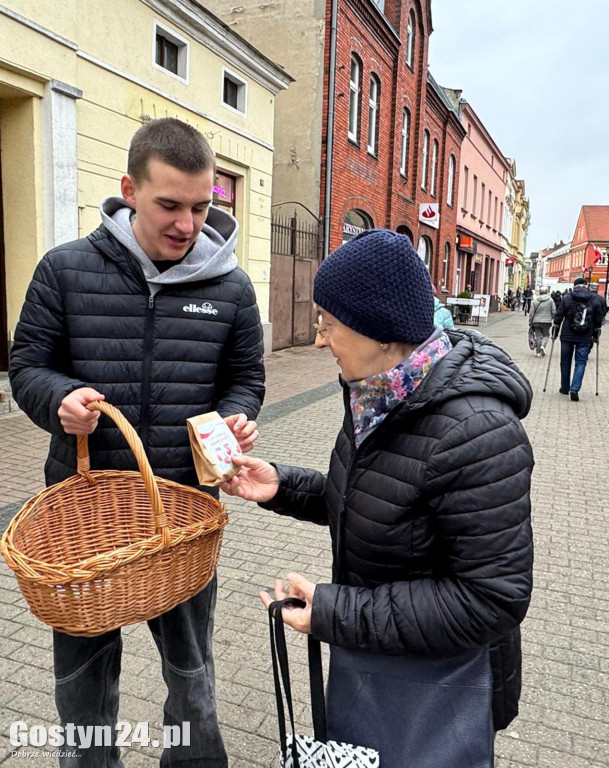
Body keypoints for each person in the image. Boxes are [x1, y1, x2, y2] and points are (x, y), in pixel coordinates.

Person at [221, 230, 534, 768]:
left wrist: (335, 610)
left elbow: (492, 599)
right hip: (377, 656)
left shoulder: (478, 431)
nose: (319, 340)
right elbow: (382, 500)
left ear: (380, 329)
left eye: (328, 324)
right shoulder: (381, 392)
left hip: (430, 691)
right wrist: (282, 485)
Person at [9, 118, 266, 767]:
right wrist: (56, 400)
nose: (187, 224)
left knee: (191, 674)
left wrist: (236, 417)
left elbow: (245, 377)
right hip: (82, 515)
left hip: (179, 516)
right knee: (84, 687)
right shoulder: (65, 269)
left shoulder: (230, 286)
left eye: (202, 206)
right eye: (169, 205)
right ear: (129, 189)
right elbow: (28, 364)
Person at [552, 276, 603, 401]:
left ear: (574, 286)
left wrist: (555, 332)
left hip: (567, 335)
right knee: (580, 362)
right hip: (585, 336)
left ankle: (565, 387)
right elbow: (598, 319)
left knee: (565, 361)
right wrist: (596, 335)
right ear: (586, 285)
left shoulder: (567, 298)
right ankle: (574, 388)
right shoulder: (595, 299)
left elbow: (558, 316)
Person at [529, 287, 555, 357]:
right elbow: (553, 311)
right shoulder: (550, 300)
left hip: (536, 321)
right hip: (547, 322)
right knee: (546, 335)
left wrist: (530, 321)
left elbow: (531, 313)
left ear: (539, 292)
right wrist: (551, 318)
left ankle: (538, 352)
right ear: (547, 292)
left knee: (538, 336)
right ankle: (543, 346)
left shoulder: (535, 300)